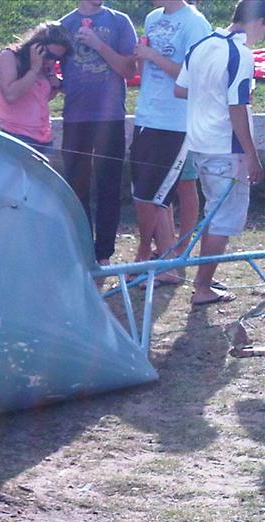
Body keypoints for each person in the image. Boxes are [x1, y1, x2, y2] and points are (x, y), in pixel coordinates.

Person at [175, 0, 265, 305]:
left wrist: (211, 90)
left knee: (214, 213)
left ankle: (205, 278)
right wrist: (253, 156)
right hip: (226, 148)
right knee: (222, 220)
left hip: (199, 143)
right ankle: (201, 287)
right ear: (260, 22)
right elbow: (237, 107)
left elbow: (181, 88)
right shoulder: (240, 54)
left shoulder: (202, 45)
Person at [130, 0, 211, 283]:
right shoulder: (153, 18)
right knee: (142, 193)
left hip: (174, 121)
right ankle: (163, 261)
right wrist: (142, 56)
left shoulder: (195, 23)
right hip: (146, 115)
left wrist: (152, 55)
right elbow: (144, 68)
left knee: (157, 193)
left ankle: (148, 258)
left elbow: (195, 76)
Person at [58, 0, 137, 266]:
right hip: (75, 117)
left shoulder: (119, 21)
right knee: (76, 186)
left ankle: (103, 253)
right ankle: (80, 249)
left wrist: (98, 44)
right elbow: (47, 65)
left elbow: (129, 70)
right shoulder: (64, 25)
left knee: (108, 186)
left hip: (110, 117)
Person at [0, 22, 73, 155]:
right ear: (37, 45)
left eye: (57, 58)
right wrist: (34, 70)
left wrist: (52, 77)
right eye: (50, 55)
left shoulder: (45, 66)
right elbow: (10, 95)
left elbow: (42, 99)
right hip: (18, 136)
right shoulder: (10, 57)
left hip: (44, 137)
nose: (52, 60)